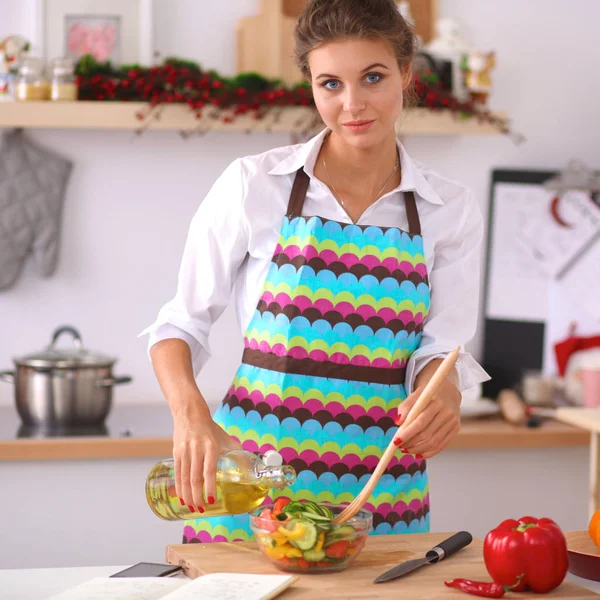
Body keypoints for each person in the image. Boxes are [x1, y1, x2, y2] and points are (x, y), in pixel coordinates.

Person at [141, 0, 489, 543]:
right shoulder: (254, 185)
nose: (353, 104)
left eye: (372, 77)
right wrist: (190, 415)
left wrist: (442, 394)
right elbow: (179, 325)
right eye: (331, 84)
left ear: (405, 75)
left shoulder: (450, 208)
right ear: (311, 86)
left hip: (381, 492)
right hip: (255, 480)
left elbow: (441, 352)